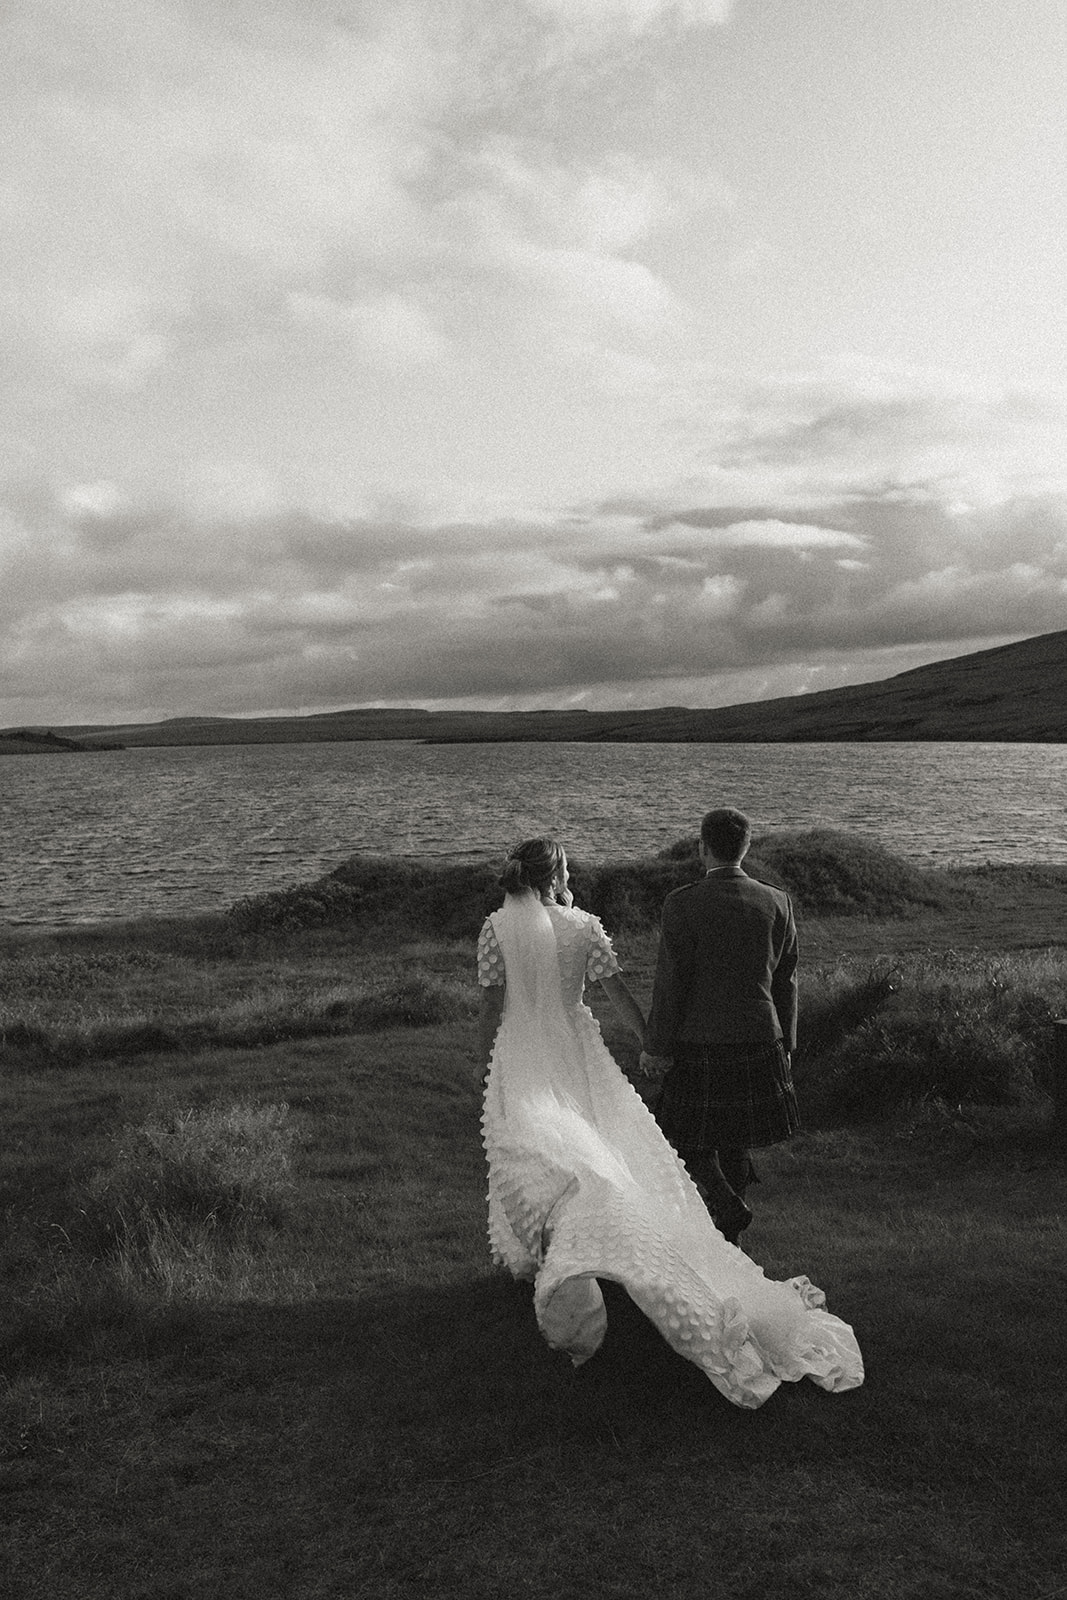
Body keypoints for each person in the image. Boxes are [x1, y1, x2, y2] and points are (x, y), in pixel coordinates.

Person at [477, 835, 862, 1409]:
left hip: (522, 1058)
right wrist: (650, 1046)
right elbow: (618, 998)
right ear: (559, 872)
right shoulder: (584, 928)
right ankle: (575, 1252)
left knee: (543, 1155)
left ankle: (576, 1252)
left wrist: (491, 1066)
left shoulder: (494, 928)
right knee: (604, 1150)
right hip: (580, 1056)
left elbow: (490, 1009)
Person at [641, 807, 800, 1245]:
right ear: (746, 847)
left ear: (702, 848)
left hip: (701, 1042)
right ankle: (731, 1234)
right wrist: (787, 1043)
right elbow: (786, 982)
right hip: (761, 1038)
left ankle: (726, 1206)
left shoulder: (683, 903)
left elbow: (671, 984)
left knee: (677, 1133)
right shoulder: (777, 901)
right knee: (735, 1138)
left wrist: (656, 1046)